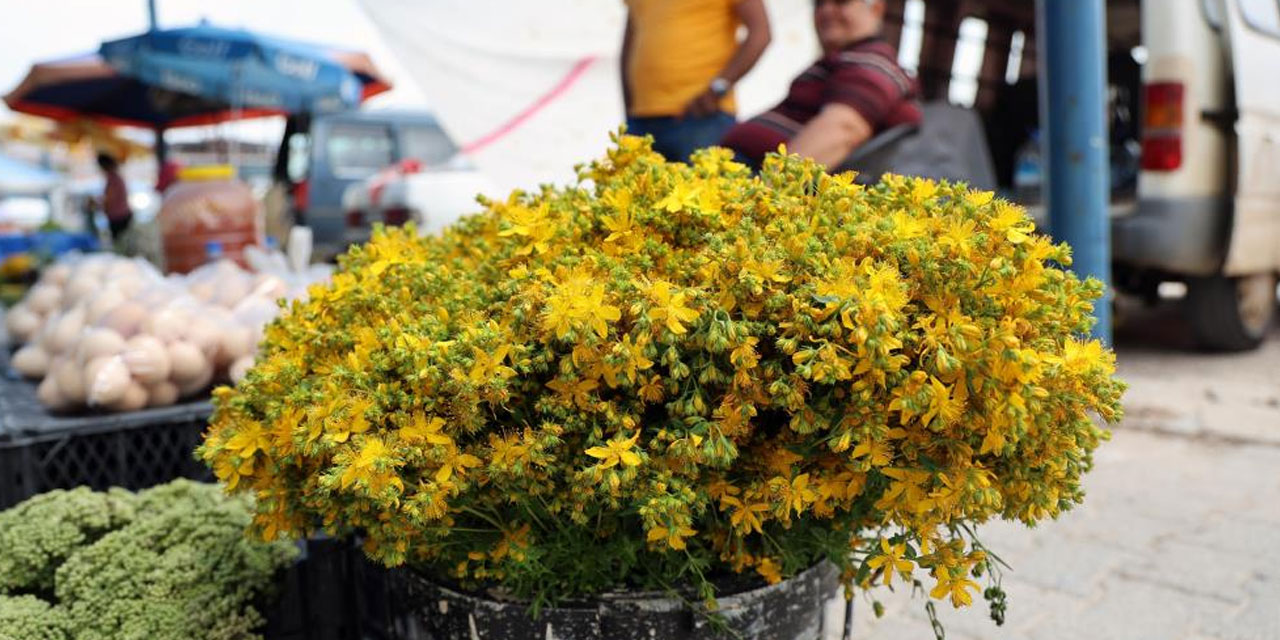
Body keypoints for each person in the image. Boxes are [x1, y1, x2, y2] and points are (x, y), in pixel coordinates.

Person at [721, 0, 921, 169]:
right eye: (819, 3)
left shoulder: (873, 61)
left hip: (754, 181)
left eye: (841, 1)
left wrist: (768, 194)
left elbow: (844, 128)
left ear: (876, 8)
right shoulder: (849, 60)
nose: (826, 10)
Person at [622, 0, 772, 162]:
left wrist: (717, 89)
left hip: (701, 117)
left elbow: (760, 34)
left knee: (705, 185)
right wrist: (630, 106)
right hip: (641, 119)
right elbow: (631, 41)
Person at [97, 152, 133, 241]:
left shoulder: (113, 178)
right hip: (122, 215)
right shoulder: (116, 177)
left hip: (119, 217)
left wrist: (99, 203)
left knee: (120, 242)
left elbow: (110, 199)